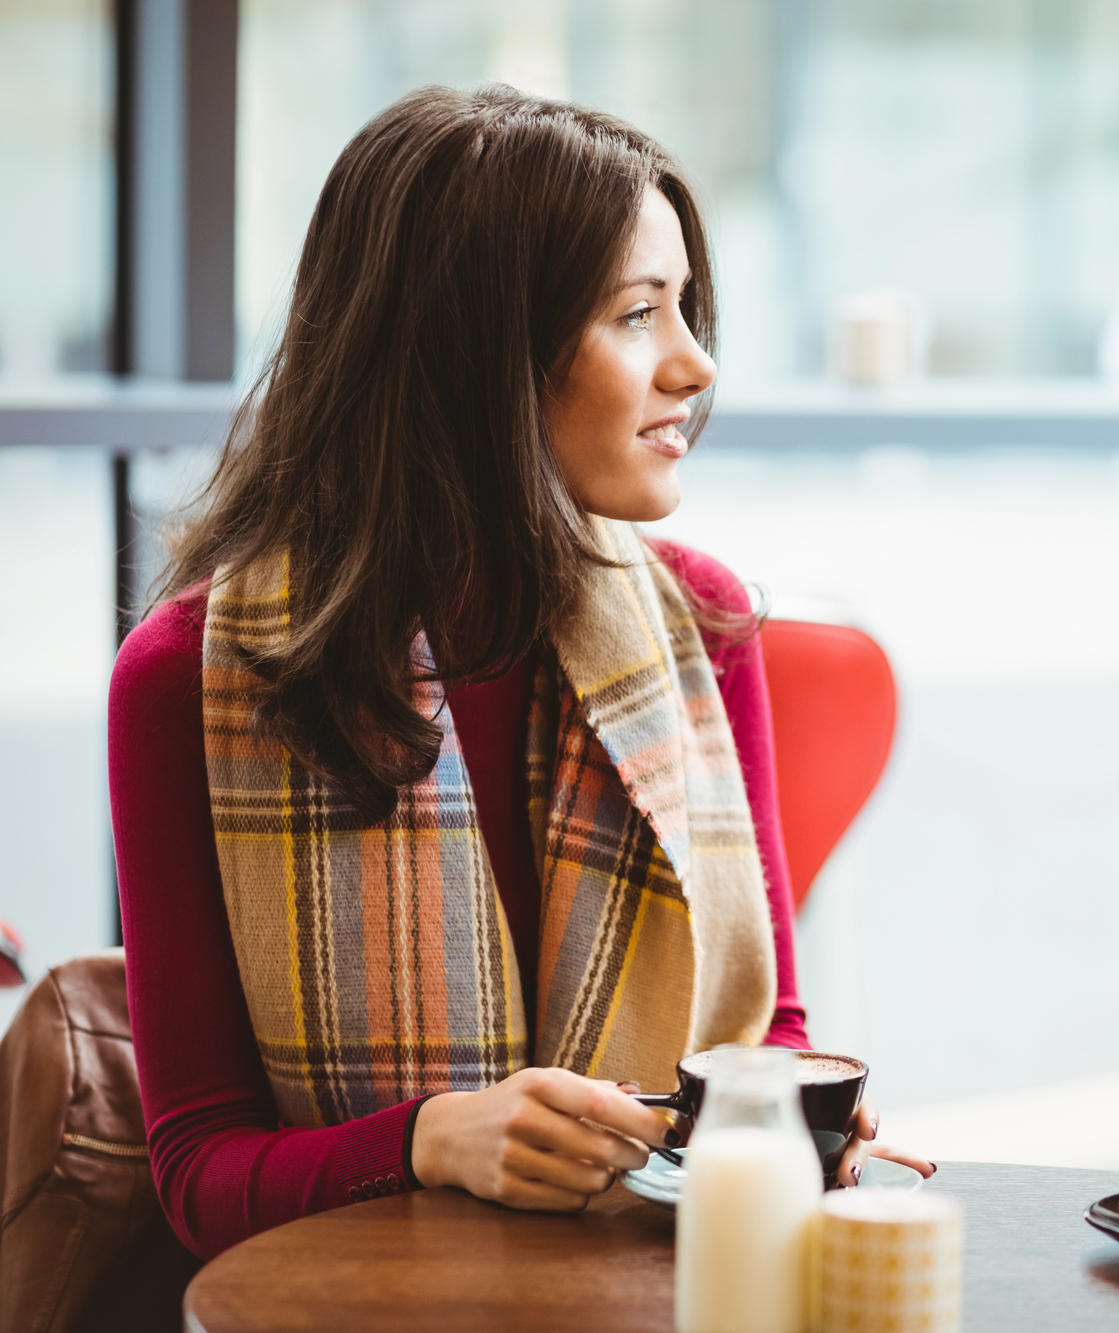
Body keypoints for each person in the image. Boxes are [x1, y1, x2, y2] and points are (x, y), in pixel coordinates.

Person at [108, 84, 926, 1261]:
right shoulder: (189, 676)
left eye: (686, 307)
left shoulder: (703, 622)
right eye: (640, 314)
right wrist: (429, 1140)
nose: (695, 366)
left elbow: (766, 1027)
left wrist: (791, 1122)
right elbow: (200, 1174)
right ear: (479, 351)